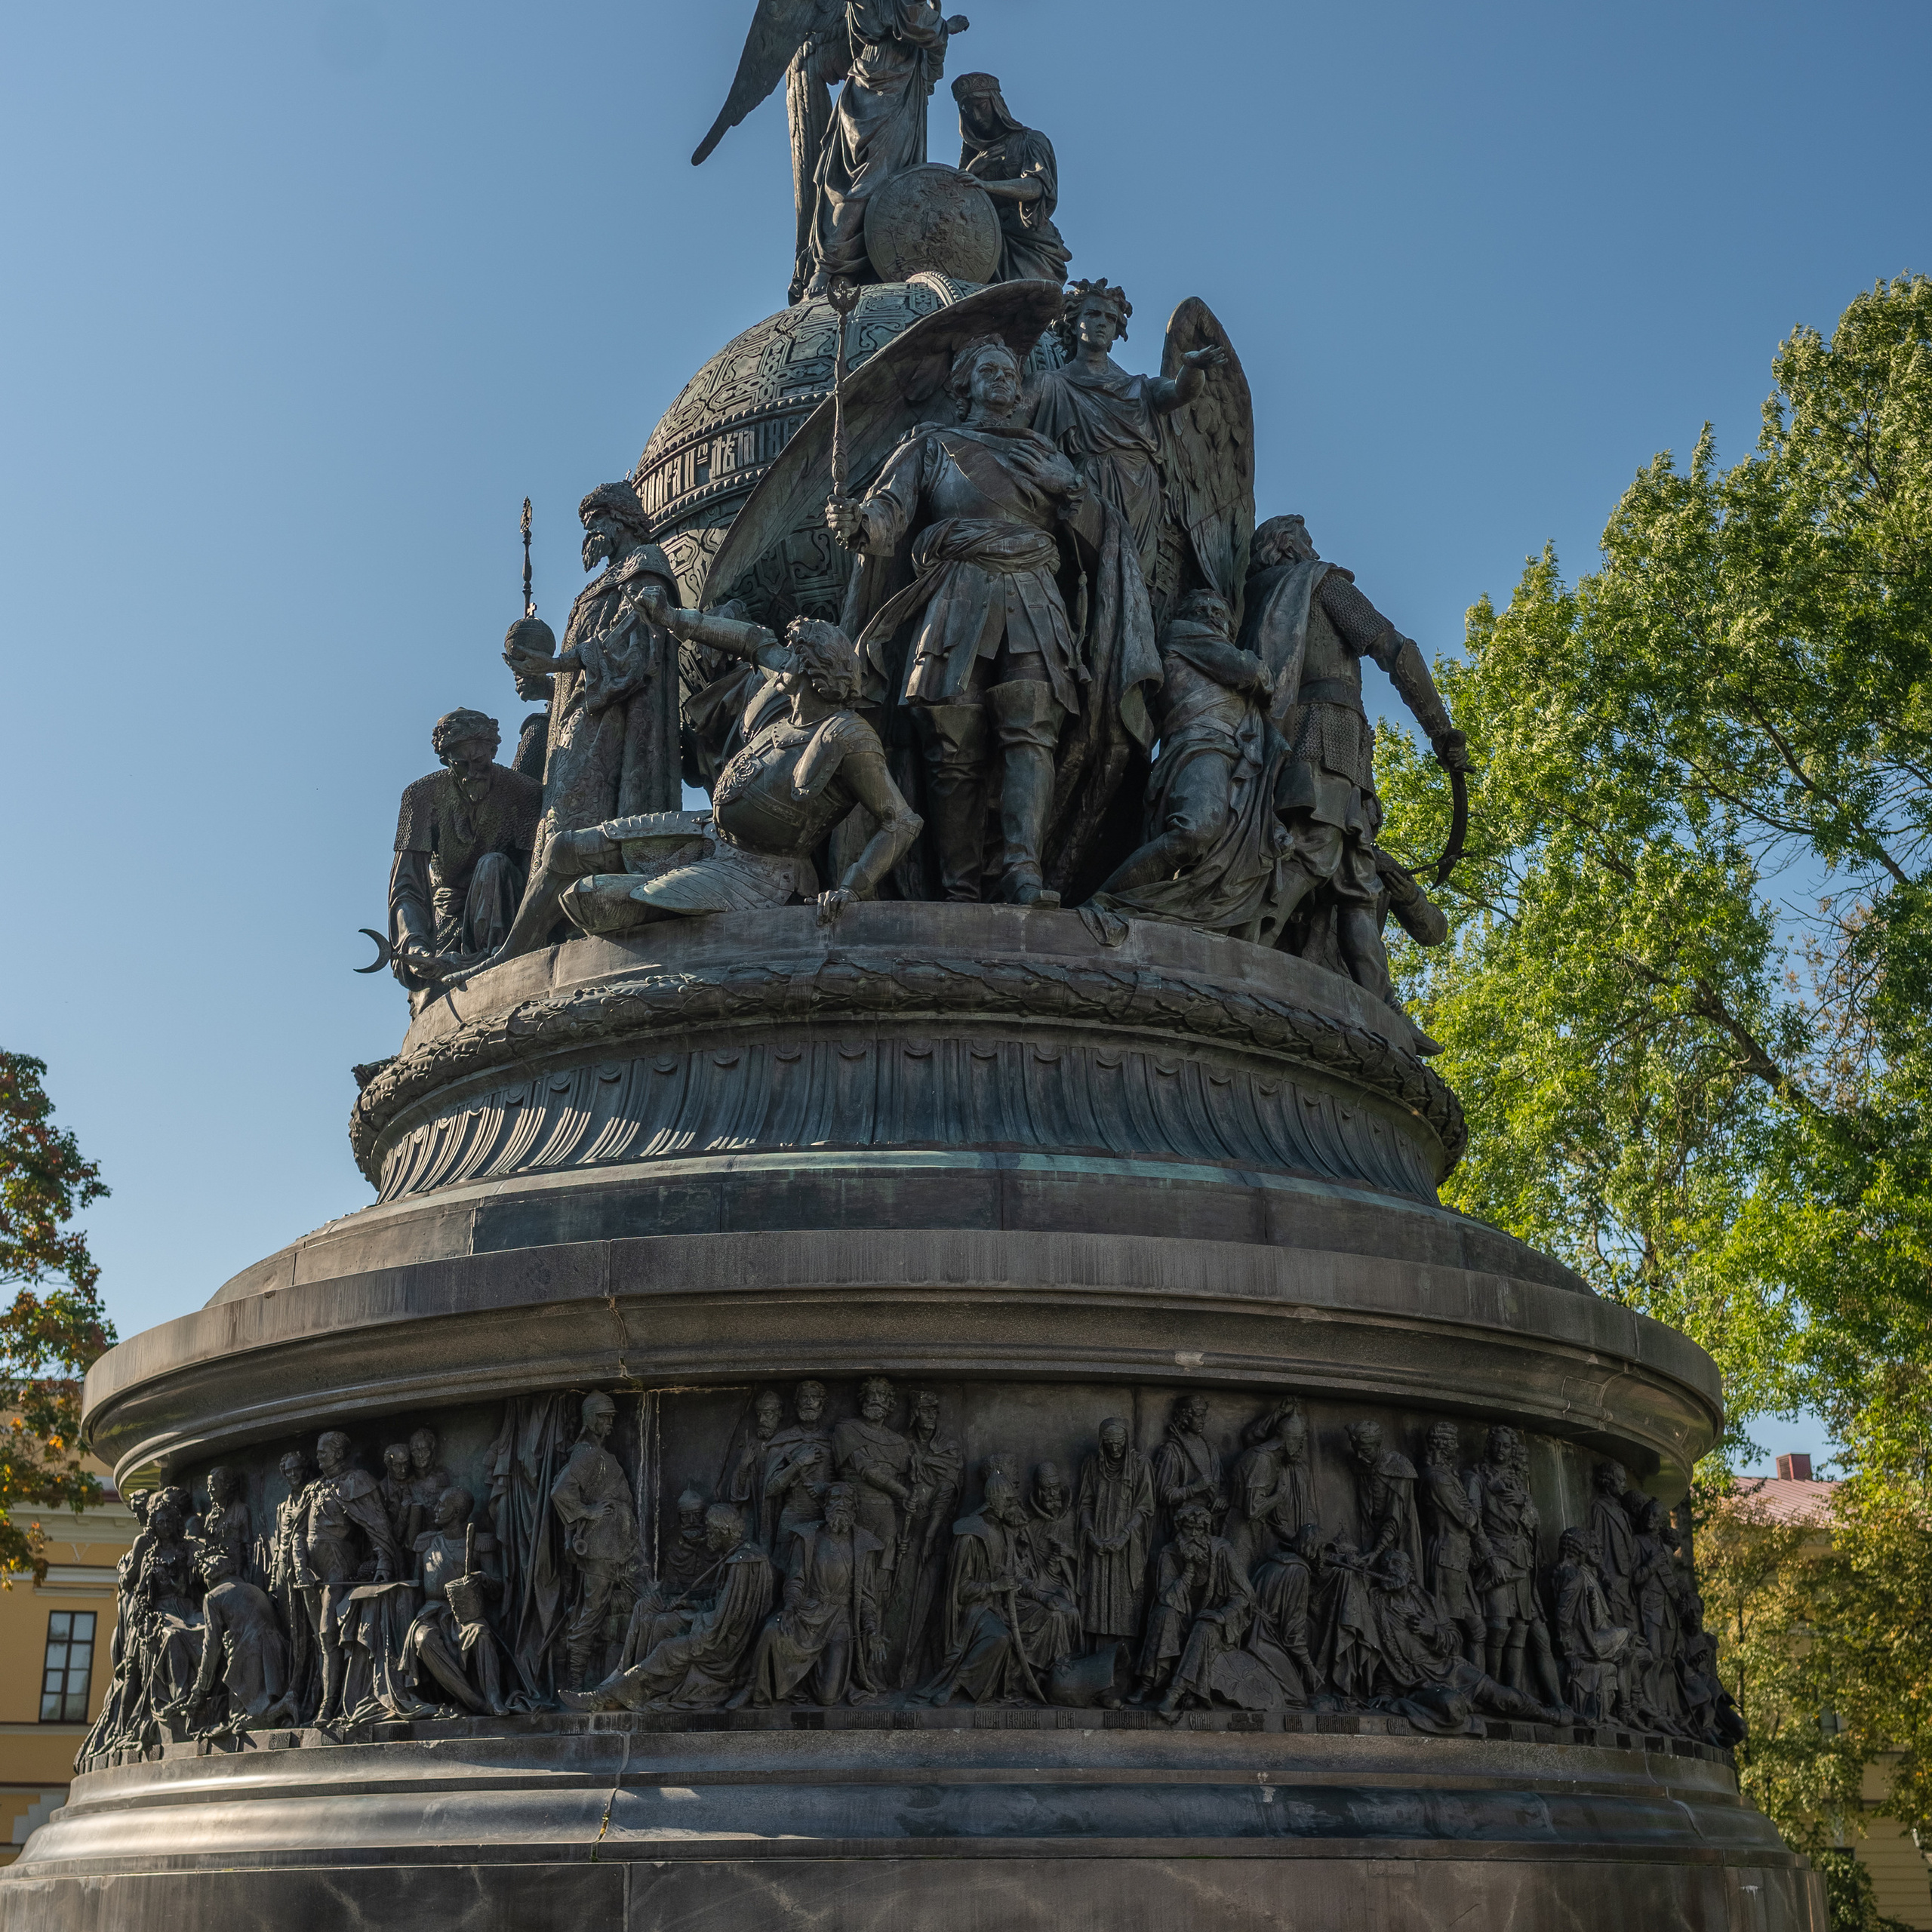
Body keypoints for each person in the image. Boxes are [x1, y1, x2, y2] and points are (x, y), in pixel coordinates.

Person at [830, 335, 1093, 907]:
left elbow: (1093, 540)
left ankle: (1024, 873)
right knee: (953, 733)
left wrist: (1073, 494)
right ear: (964, 385)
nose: (1003, 379)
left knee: (1032, 725)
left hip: (1032, 589)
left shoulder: (1044, 453)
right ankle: (959, 887)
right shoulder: (933, 443)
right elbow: (889, 513)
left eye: (1009, 371)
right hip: (958, 587)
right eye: (989, 370)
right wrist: (860, 523)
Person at [525, 603, 922, 937]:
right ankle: (505, 955)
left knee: (590, 897)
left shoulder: (847, 735)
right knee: (561, 848)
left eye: (790, 653)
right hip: (709, 831)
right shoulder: (793, 704)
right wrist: (670, 617)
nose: (780, 659)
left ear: (807, 668)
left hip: (759, 873)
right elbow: (752, 640)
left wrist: (852, 888)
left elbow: (901, 821)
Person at [1236, 514, 1468, 1003]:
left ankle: (1379, 1006)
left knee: (1356, 880)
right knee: (1317, 851)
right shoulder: (1321, 584)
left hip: (1264, 747)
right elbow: (1395, 650)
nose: (1313, 550)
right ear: (1285, 549)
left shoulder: (1247, 600)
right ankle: (1241, 947)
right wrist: (1441, 731)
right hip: (1328, 737)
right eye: (1306, 542)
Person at [492, 482, 683, 960]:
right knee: (560, 821)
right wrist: (542, 678)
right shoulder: (603, 581)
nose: (590, 535)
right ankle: (557, 929)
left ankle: (572, 922)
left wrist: (554, 666)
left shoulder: (645, 568)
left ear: (619, 521)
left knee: (575, 826)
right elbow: (583, 662)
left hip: (613, 726)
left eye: (594, 523)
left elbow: (633, 644)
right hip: (581, 718)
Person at [1083, 592, 1297, 941]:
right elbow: (1250, 672)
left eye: (1219, 612)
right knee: (1194, 831)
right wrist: (1259, 672)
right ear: (1186, 614)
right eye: (1202, 609)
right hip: (1198, 748)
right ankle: (1107, 901)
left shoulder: (1217, 655)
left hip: (1239, 762)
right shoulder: (1182, 634)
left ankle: (1177, 919)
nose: (1211, 616)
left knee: (1223, 862)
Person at [1031, 280, 1227, 617]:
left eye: (1110, 317)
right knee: (1085, 577)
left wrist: (1193, 367)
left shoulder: (1139, 387)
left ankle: (1124, 657)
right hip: (1087, 483)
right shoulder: (1052, 384)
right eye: (1092, 313)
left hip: (1142, 492)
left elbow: (1181, 392)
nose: (1102, 322)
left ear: (1118, 328)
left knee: (1133, 580)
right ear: (1073, 320)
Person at [802, 1, 968, 294]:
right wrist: (945, 26)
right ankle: (828, 266)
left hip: (902, 78)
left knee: (895, 178)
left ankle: (876, 265)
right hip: (880, 80)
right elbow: (909, 19)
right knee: (866, 178)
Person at [386, 708, 541, 995]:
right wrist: (416, 943)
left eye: (480, 760)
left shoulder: (524, 793)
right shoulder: (419, 797)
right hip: (446, 925)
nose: (473, 772)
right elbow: (407, 886)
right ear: (446, 761)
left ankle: (489, 961)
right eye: (461, 764)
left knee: (493, 864)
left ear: (493, 752)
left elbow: (534, 872)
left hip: (505, 919)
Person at [561, 1506, 774, 1712]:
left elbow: (724, 1620)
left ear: (723, 1530)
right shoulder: (736, 1555)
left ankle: (601, 1698)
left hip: (723, 1642)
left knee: (666, 1648)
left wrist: (689, 1616)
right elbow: (722, 1605)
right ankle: (632, 1689)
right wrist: (691, 1605)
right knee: (659, 1622)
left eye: (710, 1530)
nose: (708, 1535)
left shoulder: (743, 1563)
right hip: (716, 1627)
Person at [915, 1473, 1077, 1704]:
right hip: (976, 1609)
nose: (1014, 1506)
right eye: (1009, 1501)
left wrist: (1040, 1595)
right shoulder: (970, 1535)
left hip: (1003, 1605)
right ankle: (954, 1686)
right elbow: (960, 1591)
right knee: (1000, 1637)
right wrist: (994, 1586)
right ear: (994, 1502)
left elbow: (1016, 1575)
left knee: (1053, 1616)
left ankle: (1039, 1681)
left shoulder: (1005, 1533)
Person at [738, 1484, 884, 1706]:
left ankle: (806, 1675)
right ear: (826, 1506)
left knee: (828, 1698)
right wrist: (789, 1608)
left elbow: (866, 1596)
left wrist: (872, 1630)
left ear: (854, 1508)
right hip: (808, 1611)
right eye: (835, 1498)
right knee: (771, 1630)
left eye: (847, 1500)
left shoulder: (864, 1544)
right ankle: (754, 1688)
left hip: (840, 1621)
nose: (841, 1504)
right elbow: (796, 1580)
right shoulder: (808, 1538)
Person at [293, 1431, 401, 1724]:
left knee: (329, 1634)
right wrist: (301, 1566)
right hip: (311, 1576)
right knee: (320, 1639)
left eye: (325, 1451)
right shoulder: (313, 1488)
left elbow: (376, 1526)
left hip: (339, 1569)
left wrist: (384, 1561)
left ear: (340, 1453)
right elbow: (298, 1534)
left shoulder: (356, 1482)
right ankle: (324, 1699)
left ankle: (329, 1707)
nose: (319, 1456)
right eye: (318, 1451)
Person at [549, 1392, 641, 1688]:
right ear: (590, 1419)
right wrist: (588, 1512)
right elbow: (560, 1492)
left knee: (640, 1601)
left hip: (619, 1545)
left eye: (612, 1417)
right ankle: (575, 1683)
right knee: (591, 1613)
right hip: (601, 1547)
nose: (610, 1422)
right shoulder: (587, 1454)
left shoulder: (599, 1454)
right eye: (604, 1417)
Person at [401, 1487, 515, 1718]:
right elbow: (415, 1585)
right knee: (424, 1640)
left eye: (443, 1505)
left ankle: (494, 1698)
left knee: (481, 1634)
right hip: (431, 1613)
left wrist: (482, 1579)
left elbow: (497, 1588)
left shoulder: (479, 1542)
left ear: (458, 1512)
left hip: (465, 1613)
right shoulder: (426, 1543)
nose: (437, 1508)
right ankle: (476, 1703)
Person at [1138, 1501, 1254, 1721]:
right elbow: (1167, 1597)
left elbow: (1244, 1596)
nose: (1193, 1534)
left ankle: (1175, 1692)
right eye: (1188, 1528)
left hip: (1215, 1628)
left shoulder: (1222, 1551)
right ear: (1179, 1529)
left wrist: (1222, 1616)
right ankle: (1148, 1682)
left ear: (1207, 1531)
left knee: (1203, 1628)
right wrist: (1189, 1570)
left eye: (1199, 1529)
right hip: (1181, 1621)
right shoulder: (1170, 1553)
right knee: (1165, 1614)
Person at [160, 1547, 293, 1737]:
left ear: (208, 1576)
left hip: (249, 1657)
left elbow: (211, 1647)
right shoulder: (254, 1589)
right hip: (276, 1655)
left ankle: (286, 1704)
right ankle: (285, 1706)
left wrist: (201, 1688)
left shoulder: (213, 1597)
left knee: (241, 1724)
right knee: (249, 1720)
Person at [953, 73, 1069, 285]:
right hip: (984, 244)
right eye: (969, 111)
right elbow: (955, 201)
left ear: (996, 104)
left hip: (1029, 243)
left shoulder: (1031, 140)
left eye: (981, 106)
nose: (977, 117)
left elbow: (1036, 187)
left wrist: (986, 185)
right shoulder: (972, 154)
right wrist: (972, 170)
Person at [1075, 1418, 1155, 1650]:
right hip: (1099, 1542)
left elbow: (1145, 1507)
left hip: (1127, 1545)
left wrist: (1125, 1536)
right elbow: (1086, 1504)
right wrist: (1089, 1535)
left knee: (1125, 1604)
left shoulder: (1141, 1465)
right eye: (1109, 1443)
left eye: (1119, 1443)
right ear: (1102, 1443)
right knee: (1096, 1604)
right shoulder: (1092, 1464)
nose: (1115, 1448)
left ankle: (1124, 1661)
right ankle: (1095, 1657)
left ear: (1126, 1440)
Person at [1223, 1399, 1316, 1584]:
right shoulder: (1262, 1460)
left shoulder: (1265, 1455)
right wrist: (1278, 1497)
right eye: (1299, 1444)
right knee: (1238, 1587)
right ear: (1290, 1442)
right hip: (1241, 1533)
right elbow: (1253, 1510)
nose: (1300, 1450)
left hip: (1253, 1531)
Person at [1551, 1527, 1630, 1725]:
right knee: (1627, 1637)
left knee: (1625, 1648)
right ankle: (1627, 1709)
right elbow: (1563, 1618)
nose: (1591, 1552)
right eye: (1588, 1547)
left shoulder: (1551, 1572)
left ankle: (1619, 1707)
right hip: (1582, 1645)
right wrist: (1570, 1654)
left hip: (1569, 1643)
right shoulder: (1575, 1576)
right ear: (1580, 1550)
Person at [1420, 1423, 1484, 1666]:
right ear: (1443, 1445)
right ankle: (1456, 1682)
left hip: (1459, 1559)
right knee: (1450, 1627)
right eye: (1452, 1442)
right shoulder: (1437, 1478)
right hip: (1447, 1558)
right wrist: (1477, 1505)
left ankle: (1479, 1690)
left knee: (1478, 1630)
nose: (1457, 1447)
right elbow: (1466, 1517)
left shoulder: (1447, 1475)